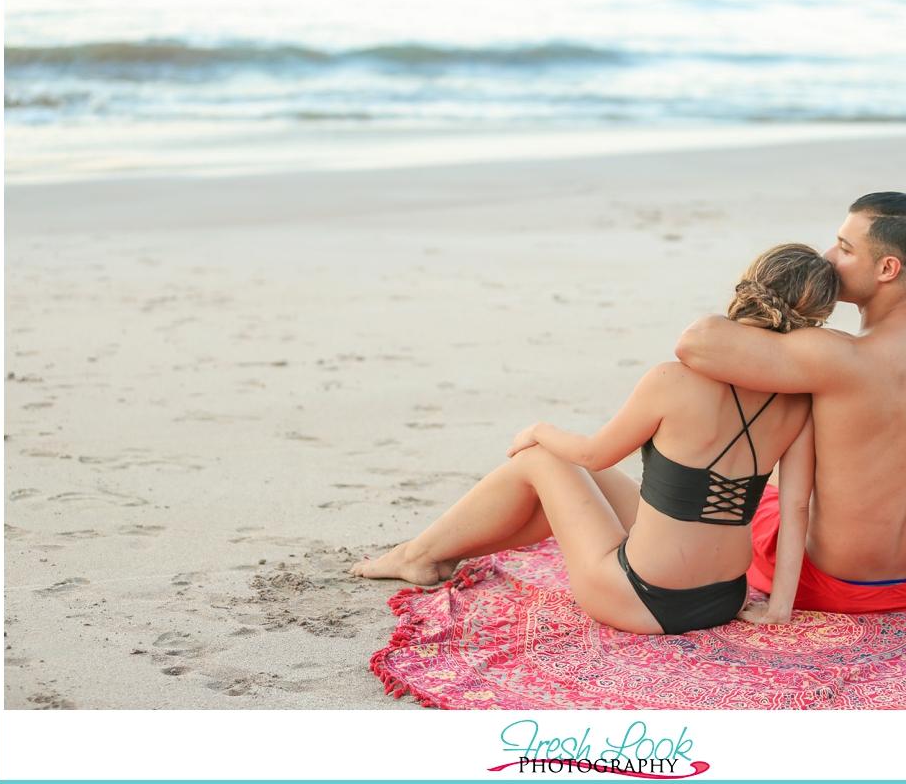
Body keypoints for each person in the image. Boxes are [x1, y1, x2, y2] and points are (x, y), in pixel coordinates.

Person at [351, 244, 839, 635]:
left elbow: (592, 452)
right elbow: (796, 508)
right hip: (723, 598)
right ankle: (445, 552)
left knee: (544, 461)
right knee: (585, 482)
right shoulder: (799, 401)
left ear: (749, 286)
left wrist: (538, 429)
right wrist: (779, 608)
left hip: (642, 599)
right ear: (816, 318)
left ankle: (416, 556)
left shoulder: (674, 378)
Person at [675, 192, 906, 630]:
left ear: (888, 268)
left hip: (827, 583)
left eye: (845, 250)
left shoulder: (835, 356)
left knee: (761, 489)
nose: (828, 259)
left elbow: (695, 342)